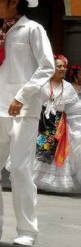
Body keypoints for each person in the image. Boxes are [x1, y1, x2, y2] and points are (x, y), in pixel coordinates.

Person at [0, 0, 55, 247]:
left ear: (14, 1)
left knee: (20, 170)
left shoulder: (33, 30)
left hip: (24, 109)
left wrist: (21, 97)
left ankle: (26, 231)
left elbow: (47, 66)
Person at [33, 55, 80, 193]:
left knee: (54, 152)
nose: (62, 69)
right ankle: (31, 180)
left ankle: (50, 182)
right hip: (40, 122)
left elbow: (75, 108)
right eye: (59, 66)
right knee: (35, 150)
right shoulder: (42, 84)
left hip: (58, 125)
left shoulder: (68, 88)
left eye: (64, 66)